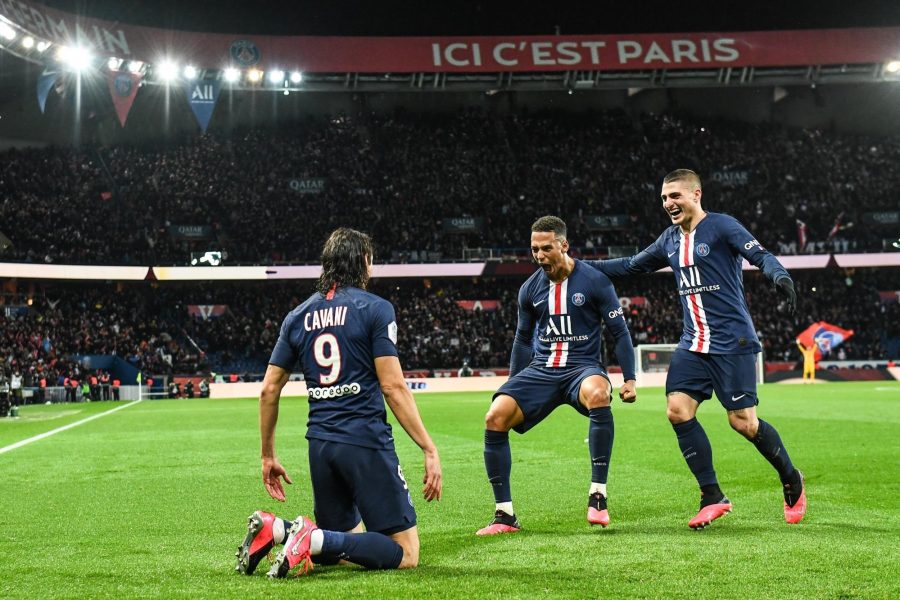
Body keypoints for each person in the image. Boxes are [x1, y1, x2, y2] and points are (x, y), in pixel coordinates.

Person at [588, 169, 806, 528]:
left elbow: (760, 255)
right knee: (677, 409)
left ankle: (790, 477)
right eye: (663, 198)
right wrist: (580, 266)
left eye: (675, 195)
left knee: (743, 423)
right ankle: (712, 495)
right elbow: (629, 267)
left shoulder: (722, 226)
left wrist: (779, 275)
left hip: (732, 340)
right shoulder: (669, 240)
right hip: (693, 343)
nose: (668, 203)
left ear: (696, 194)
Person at [235, 227, 442, 579]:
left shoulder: (297, 316)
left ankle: (279, 530)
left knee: (343, 547)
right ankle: (308, 536)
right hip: (364, 440)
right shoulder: (376, 309)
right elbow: (393, 387)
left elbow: (269, 389)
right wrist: (428, 447)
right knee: (405, 553)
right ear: (364, 261)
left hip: (321, 445)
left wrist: (268, 455)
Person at [476, 215, 637, 536]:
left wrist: (629, 379)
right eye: (534, 249)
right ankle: (504, 515)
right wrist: (512, 383)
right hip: (542, 370)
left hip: (583, 367)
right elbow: (522, 340)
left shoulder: (594, 281)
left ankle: (598, 495)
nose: (539, 256)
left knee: (598, 394)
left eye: (546, 248)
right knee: (495, 416)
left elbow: (620, 332)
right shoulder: (529, 289)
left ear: (564, 245)